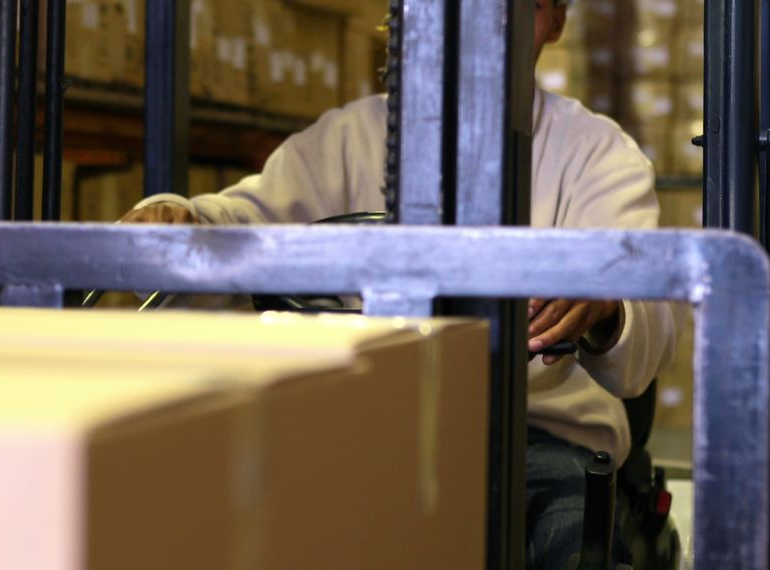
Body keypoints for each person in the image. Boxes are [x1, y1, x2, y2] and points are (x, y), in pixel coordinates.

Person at [122, 0, 682, 567]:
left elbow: (646, 325)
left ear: (556, 22)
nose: (489, 27)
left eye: (522, 8)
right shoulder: (348, 138)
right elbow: (238, 219)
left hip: (536, 437)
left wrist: (605, 303)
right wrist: (174, 218)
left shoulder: (597, 154)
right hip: (362, 425)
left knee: (572, 542)